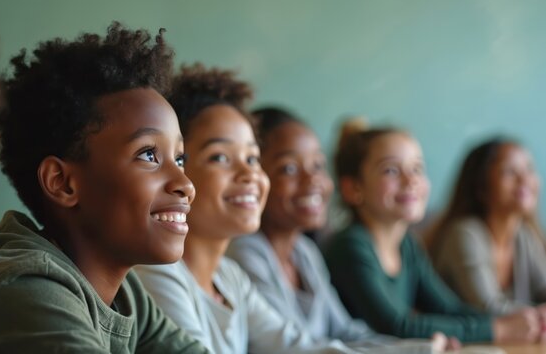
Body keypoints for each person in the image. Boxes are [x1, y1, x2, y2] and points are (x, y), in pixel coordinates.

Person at [0, 23, 210, 353]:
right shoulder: (26, 291)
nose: (185, 185)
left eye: (180, 158)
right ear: (62, 183)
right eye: (149, 154)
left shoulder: (124, 295)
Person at [136, 65, 370, 354]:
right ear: (179, 169)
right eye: (219, 157)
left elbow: (299, 348)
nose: (249, 174)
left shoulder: (229, 277)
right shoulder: (157, 273)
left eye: (252, 158)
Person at [322, 127, 545, 343]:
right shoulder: (351, 246)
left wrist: (521, 321)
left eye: (417, 169)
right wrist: (498, 329)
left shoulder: (407, 245)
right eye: (391, 170)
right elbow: (399, 326)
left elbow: (449, 309)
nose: (411, 181)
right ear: (353, 189)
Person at [226, 107, 386, 344]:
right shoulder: (245, 252)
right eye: (289, 169)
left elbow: (347, 332)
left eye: (318, 165)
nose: (313, 180)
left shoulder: (304, 252)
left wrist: (426, 349)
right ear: (255, 177)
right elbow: (298, 346)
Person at [426, 138, 546, 315]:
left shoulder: (524, 235)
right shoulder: (464, 233)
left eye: (529, 169)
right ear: (480, 187)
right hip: (462, 342)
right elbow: (488, 308)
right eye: (509, 171)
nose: (524, 179)